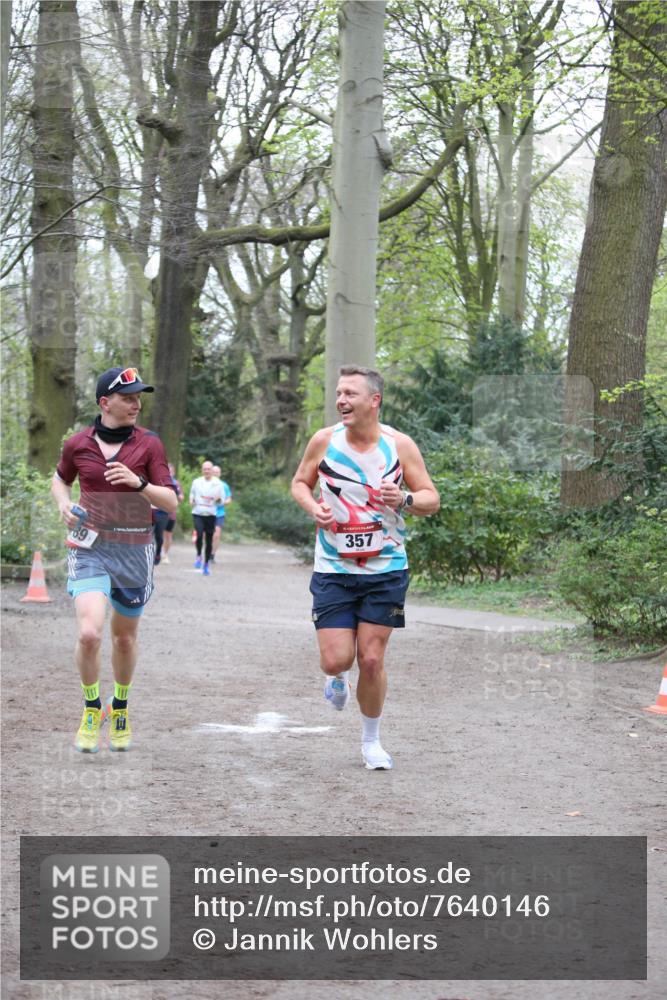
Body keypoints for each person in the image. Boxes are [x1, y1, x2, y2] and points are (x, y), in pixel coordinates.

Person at [291, 365, 440, 770]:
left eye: (350, 394)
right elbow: (300, 483)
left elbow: (431, 498)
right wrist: (313, 507)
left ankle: (371, 742)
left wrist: (404, 499)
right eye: (339, 394)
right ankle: (335, 677)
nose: (341, 400)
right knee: (336, 659)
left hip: (386, 567)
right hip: (334, 567)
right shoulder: (324, 440)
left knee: (371, 659)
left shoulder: (399, 445)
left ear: (374, 400)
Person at [51, 366, 178, 753]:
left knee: (123, 638)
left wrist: (140, 484)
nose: (136, 404)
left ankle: (119, 706)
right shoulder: (77, 444)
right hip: (90, 548)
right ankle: (93, 708)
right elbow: (60, 479)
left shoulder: (149, 444)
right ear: (105, 402)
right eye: (128, 398)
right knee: (89, 634)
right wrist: (63, 504)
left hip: (135, 550)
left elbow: (172, 502)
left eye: (139, 398)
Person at [189, 460, 223, 575]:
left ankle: (206, 564)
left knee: (209, 540)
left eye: (209, 469)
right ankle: (199, 555)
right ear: (202, 470)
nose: (207, 471)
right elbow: (192, 494)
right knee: (199, 534)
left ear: (212, 471)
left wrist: (218, 500)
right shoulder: (196, 482)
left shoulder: (218, 483)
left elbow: (221, 501)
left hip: (211, 514)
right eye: (205, 469)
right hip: (198, 512)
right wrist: (191, 500)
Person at [161, 463, 184, 564]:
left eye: (170, 471)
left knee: (168, 535)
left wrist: (179, 497)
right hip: (159, 512)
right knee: (158, 534)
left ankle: (165, 555)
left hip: (171, 513)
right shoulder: (158, 481)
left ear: (173, 473)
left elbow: (181, 497)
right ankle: (157, 553)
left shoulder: (176, 483)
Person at [210, 464, 232, 563]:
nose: (215, 474)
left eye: (217, 472)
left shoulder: (224, 485)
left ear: (220, 474)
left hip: (219, 513)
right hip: (207, 513)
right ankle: (206, 552)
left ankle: (212, 555)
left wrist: (223, 502)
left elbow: (229, 499)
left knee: (217, 534)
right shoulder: (206, 483)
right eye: (213, 472)